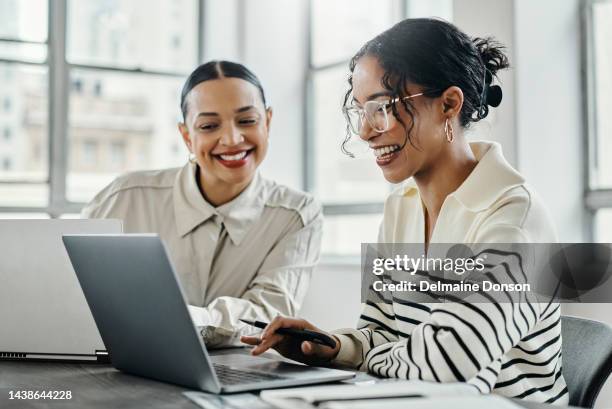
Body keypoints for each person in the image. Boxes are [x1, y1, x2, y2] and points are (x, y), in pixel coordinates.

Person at [241, 18, 568, 404]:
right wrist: (332, 347)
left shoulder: (513, 216)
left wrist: (367, 357)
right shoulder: (402, 206)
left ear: (449, 104)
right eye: (361, 110)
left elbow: (450, 363)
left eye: (382, 107)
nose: (365, 131)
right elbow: (381, 331)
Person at [82, 60, 322, 347]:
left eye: (247, 121)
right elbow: (73, 291)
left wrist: (175, 319)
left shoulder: (297, 215)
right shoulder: (124, 199)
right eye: (209, 125)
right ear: (186, 136)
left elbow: (267, 316)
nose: (232, 139)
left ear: (267, 122)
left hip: (238, 374)